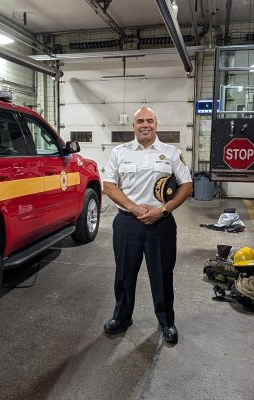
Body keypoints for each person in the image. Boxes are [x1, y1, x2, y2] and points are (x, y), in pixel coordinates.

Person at [101, 106, 193, 344]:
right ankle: (121, 318)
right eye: (140, 121)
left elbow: (186, 185)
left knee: (161, 275)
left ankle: (166, 321)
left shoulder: (171, 152)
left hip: (160, 224)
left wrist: (162, 210)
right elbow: (109, 185)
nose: (145, 125)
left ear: (156, 124)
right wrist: (133, 207)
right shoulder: (119, 152)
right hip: (127, 223)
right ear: (133, 126)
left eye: (149, 121)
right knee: (124, 274)